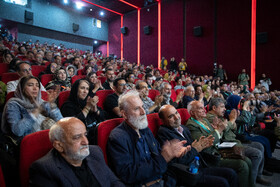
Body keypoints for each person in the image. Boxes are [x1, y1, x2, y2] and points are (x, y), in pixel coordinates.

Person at [107, 91, 189, 186]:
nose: (143, 112)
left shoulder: (144, 129)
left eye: (142, 106)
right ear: (124, 114)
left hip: (165, 179)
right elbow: (128, 175)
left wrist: (172, 153)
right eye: (137, 109)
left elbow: (158, 154)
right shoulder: (117, 137)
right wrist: (164, 158)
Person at [157, 105, 238, 187]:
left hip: (199, 165)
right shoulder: (163, 133)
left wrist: (202, 145)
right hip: (188, 173)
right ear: (163, 121)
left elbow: (194, 148)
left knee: (231, 173)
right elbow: (176, 162)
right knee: (222, 183)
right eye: (171, 116)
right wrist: (195, 149)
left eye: (176, 113)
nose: (176, 117)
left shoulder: (183, 128)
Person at [29, 117, 124, 187]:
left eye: (85, 135)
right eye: (77, 137)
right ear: (59, 146)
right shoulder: (44, 169)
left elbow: (114, 182)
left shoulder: (95, 152)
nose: (86, 142)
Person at [186, 100, 254, 187]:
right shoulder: (191, 125)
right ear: (192, 112)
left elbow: (218, 136)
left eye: (203, 107)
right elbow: (205, 144)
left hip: (220, 149)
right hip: (211, 157)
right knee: (242, 165)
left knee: (247, 160)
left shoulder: (205, 120)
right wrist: (218, 130)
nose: (204, 110)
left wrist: (218, 129)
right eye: (200, 108)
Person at [206, 98, 272, 186]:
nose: (225, 109)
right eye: (222, 107)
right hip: (227, 144)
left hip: (235, 141)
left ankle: (257, 176)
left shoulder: (221, 116)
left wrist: (233, 121)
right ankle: (252, 182)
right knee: (256, 153)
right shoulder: (211, 118)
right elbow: (225, 129)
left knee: (260, 145)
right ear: (214, 108)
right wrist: (232, 121)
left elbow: (235, 127)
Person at [1, 75, 62, 141]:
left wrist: (51, 105)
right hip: (29, 142)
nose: (35, 88)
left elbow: (61, 121)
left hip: (48, 138)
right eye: (30, 85)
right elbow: (18, 131)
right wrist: (36, 112)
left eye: (37, 85)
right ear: (22, 89)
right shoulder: (13, 104)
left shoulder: (41, 102)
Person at [61, 79, 105, 144]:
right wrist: (87, 108)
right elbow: (73, 125)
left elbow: (104, 117)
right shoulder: (67, 106)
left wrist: (96, 110)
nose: (85, 91)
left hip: (97, 133)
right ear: (75, 90)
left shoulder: (88, 101)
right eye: (82, 88)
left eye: (87, 89)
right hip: (82, 139)